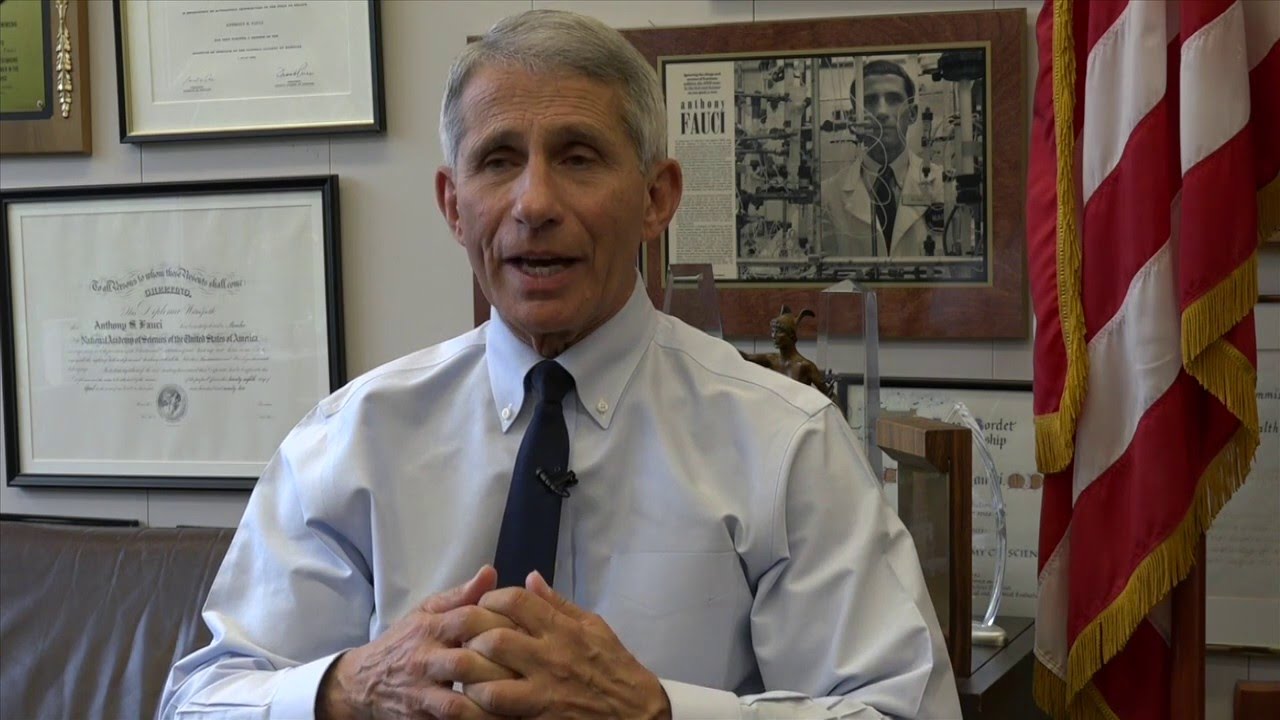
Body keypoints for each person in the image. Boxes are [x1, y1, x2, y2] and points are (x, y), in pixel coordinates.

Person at [160, 10, 961, 719]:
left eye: (578, 157)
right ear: (452, 204)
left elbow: (900, 711)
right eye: (499, 160)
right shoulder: (350, 439)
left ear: (657, 198)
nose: (534, 203)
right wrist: (349, 688)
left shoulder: (785, 442)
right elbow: (200, 701)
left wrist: (656, 711)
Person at [820, 59, 946, 259]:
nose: (881, 112)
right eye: (869, 101)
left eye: (894, 99)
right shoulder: (828, 196)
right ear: (855, 117)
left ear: (913, 114)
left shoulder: (943, 185)